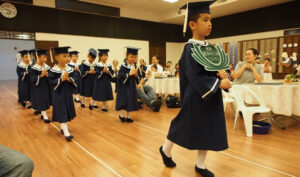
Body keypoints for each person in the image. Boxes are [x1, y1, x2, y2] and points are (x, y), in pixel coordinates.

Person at [159, 1, 232, 177]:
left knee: (207, 129)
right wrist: (217, 84)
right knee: (182, 125)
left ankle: (200, 164)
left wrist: (224, 74)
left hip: (210, 96)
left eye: (210, 20)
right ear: (192, 24)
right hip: (195, 96)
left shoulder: (211, 48)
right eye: (205, 20)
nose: (210, 24)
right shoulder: (190, 49)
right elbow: (195, 76)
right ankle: (166, 150)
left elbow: (217, 68)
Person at [48, 47, 78, 141]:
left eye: (68, 56)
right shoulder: (53, 70)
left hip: (68, 94)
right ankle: (66, 132)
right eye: (64, 56)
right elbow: (51, 82)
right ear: (57, 58)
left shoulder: (70, 69)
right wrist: (61, 79)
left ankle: (62, 126)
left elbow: (76, 79)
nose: (67, 58)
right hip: (58, 94)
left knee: (66, 109)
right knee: (62, 110)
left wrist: (69, 79)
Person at [116, 47, 140, 123]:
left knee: (130, 100)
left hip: (131, 86)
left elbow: (138, 76)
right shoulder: (123, 65)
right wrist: (130, 73)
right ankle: (121, 115)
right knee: (124, 100)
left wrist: (136, 75)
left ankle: (129, 116)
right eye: (131, 57)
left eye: (135, 57)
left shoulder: (135, 65)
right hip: (124, 86)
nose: (133, 59)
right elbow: (120, 76)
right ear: (127, 56)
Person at [29, 49, 51, 123]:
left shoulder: (47, 67)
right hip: (38, 87)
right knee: (41, 100)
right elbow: (32, 79)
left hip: (46, 87)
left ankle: (42, 112)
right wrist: (41, 75)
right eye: (44, 57)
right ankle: (44, 115)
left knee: (45, 100)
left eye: (46, 57)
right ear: (38, 57)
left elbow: (52, 76)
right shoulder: (33, 68)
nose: (45, 59)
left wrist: (48, 75)